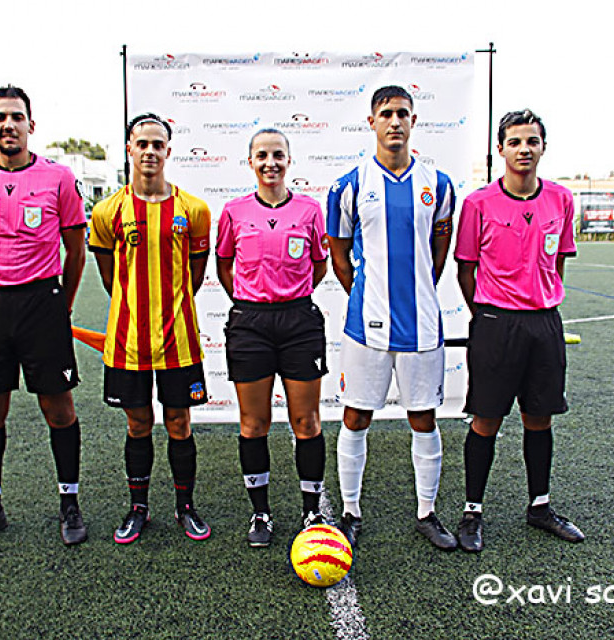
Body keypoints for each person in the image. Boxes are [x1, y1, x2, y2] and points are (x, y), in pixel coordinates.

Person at [0, 85, 88, 549]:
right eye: (0, 117)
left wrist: (60, 305)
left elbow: (75, 251)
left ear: (31, 124)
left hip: (42, 303)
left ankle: (69, 503)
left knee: (59, 408)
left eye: (16, 117)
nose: (8, 125)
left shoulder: (59, 178)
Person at [326, 86, 457, 551]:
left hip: (422, 324)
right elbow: (339, 256)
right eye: (386, 114)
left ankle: (426, 513)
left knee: (423, 417)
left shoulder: (438, 184)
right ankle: (350, 512)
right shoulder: (349, 185)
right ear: (372, 122)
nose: (395, 121)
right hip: (367, 324)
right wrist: (368, 296)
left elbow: (438, 254)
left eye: (403, 113)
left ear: (413, 120)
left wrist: (417, 291)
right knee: (356, 415)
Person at [453, 108, 585, 553]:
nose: (524, 149)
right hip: (496, 322)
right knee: (486, 419)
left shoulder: (561, 199)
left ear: (543, 147)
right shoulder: (478, 203)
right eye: (515, 142)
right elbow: (466, 269)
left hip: (544, 323)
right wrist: (487, 315)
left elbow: (559, 260)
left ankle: (540, 507)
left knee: (539, 417)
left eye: (532, 141)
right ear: (500, 149)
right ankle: (472, 512)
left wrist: (540, 298)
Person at [88, 113, 212, 544]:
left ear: (168, 151)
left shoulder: (193, 210)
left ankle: (185, 507)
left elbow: (194, 277)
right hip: (128, 342)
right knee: (138, 425)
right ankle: (137, 508)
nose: (150, 152)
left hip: (179, 341)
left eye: (158, 144)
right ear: (129, 149)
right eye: (142, 144)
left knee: (179, 423)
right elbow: (110, 279)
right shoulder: (107, 211)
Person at [216, 129, 330, 547]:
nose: (270, 163)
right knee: (254, 423)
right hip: (250, 324)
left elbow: (319, 265)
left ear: (289, 160)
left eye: (278, 155)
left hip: (299, 322)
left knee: (306, 421)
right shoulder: (233, 211)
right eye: (262, 155)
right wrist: (251, 300)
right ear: (250, 162)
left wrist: (290, 295)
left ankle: (311, 510)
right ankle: (260, 512)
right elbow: (224, 265)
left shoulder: (309, 210)